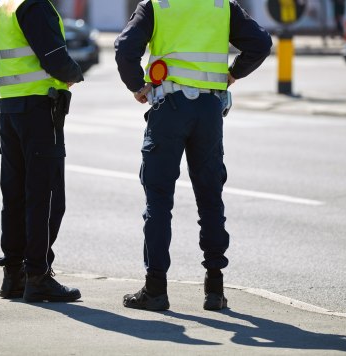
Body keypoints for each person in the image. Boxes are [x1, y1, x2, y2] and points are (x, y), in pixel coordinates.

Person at [115, 0, 272, 311]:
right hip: (209, 110)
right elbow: (261, 43)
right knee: (210, 195)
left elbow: (124, 50)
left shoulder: (157, 5)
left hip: (169, 107)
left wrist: (138, 86)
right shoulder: (220, 5)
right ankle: (215, 289)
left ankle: (156, 289)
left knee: (158, 198)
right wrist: (232, 74)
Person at [0, 0, 83, 302]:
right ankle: (38, 275)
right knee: (47, 196)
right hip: (40, 109)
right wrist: (74, 73)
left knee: (14, 195)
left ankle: (13, 275)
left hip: (9, 107)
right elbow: (54, 58)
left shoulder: (0, 9)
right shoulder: (35, 5)